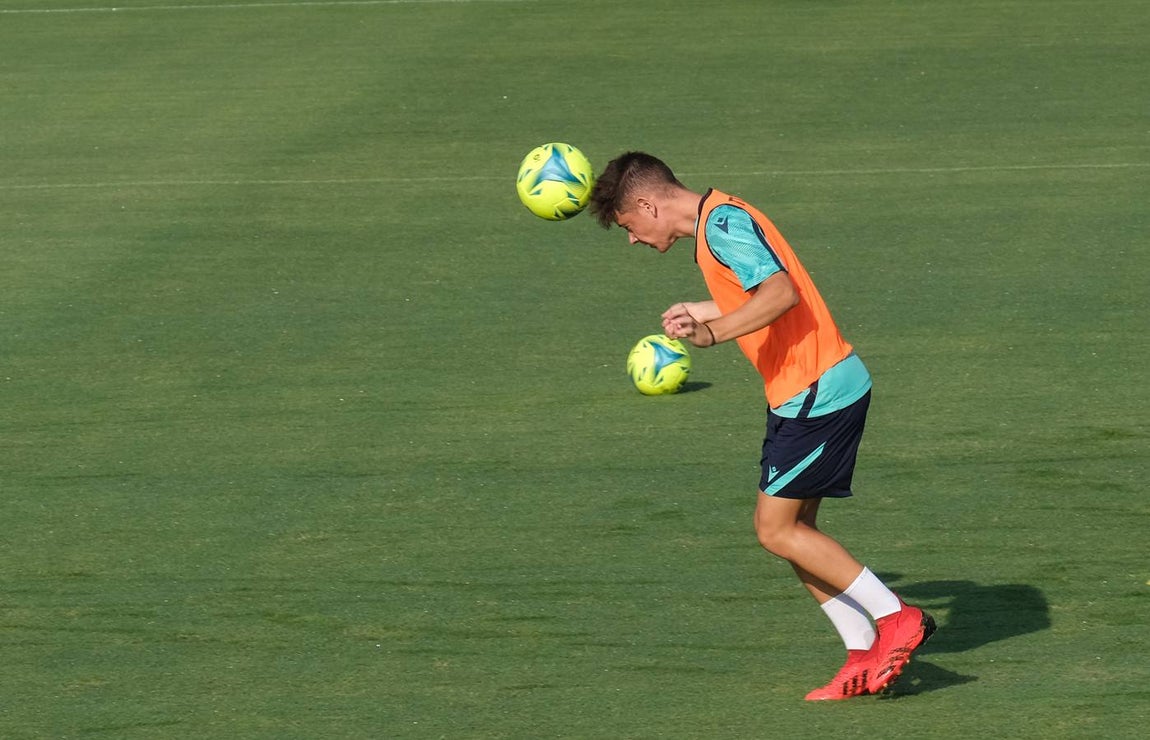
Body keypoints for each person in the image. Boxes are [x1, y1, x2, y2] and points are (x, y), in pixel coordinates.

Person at [588, 152, 935, 700]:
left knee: (775, 530)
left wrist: (715, 332)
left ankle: (897, 618)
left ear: (650, 204)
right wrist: (703, 310)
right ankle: (863, 653)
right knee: (796, 537)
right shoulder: (718, 222)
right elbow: (760, 289)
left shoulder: (722, 226)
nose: (632, 239)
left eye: (629, 226)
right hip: (805, 390)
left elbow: (781, 294)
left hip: (815, 391)